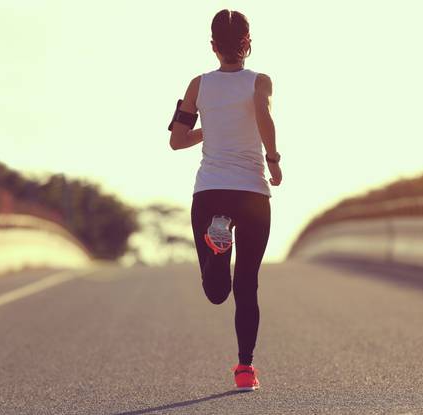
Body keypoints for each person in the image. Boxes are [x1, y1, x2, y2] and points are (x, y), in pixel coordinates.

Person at [168, 9, 282, 392]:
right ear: (248, 43)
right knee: (247, 284)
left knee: (217, 292)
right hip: (251, 192)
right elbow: (263, 113)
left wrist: (210, 128)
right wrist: (274, 159)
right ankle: (245, 369)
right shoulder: (260, 82)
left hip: (211, 191)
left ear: (213, 46)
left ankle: (218, 245)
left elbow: (177, 140)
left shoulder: (198, 85)